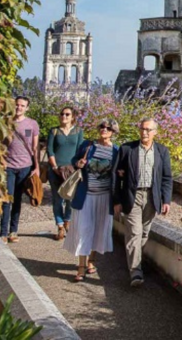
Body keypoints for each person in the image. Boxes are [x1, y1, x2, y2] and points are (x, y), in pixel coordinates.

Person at [113, 117, 173, 287]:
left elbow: (167, 178)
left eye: (148, 130)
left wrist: (166, 199)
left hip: (152, 197)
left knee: (145, 232)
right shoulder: (127, 149)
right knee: (134, 233)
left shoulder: (162, 151)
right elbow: (116, 176)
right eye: (142, 129)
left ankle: (136, 260)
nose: (144, 132)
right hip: (132, 196)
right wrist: (116, 199)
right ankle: (135, 272)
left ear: (155, 132)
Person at [64, 119, 119, 282]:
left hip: (104, 197)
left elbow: (118, 172)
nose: (104, 129)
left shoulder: (116, 151)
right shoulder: (88, 145)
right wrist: (78, 163)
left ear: (113, 132)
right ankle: (81, 266)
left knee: (98, 230)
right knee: (83, 228)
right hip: (85, 195)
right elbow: (74, 160)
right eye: (102, 126)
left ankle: (91, 261)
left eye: (108, 128)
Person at [0, 95, 40, 243]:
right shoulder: (6, 122)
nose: (19, 108)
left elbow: (35, 148)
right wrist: (2, 161)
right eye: (17, 105)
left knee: (17, 200)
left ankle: (13, 231)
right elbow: (1, 144)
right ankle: (3, 232)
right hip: (10, 165)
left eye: (22, 106)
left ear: (27, 108)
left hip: (25, 166)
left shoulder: (32, 124)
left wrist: (37, 167)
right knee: (7, 199)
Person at [47, 106, 84, 241]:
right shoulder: (54, 131)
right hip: (56, 170)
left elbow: (80, 149)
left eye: (67, 114)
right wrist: (55, 167)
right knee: (57, 199)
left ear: (73, 116)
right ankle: (60, 226)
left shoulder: (78, 131)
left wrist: (78, 166)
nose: (64, 116)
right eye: (62, 114)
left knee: (70, 198)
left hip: (71, 171)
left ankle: (67, 220)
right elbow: (50, 150)